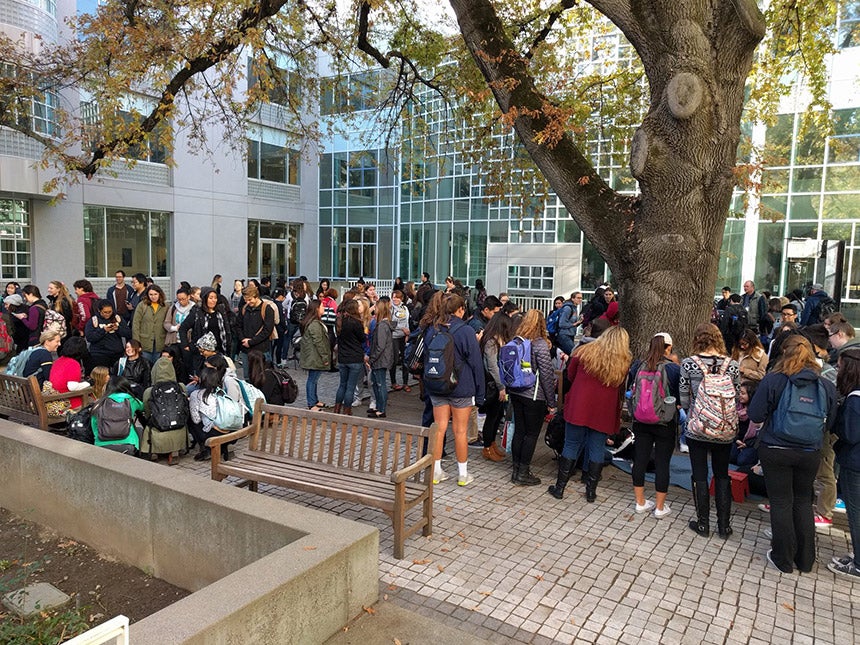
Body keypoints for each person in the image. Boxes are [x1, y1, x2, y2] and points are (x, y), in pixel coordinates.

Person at [749, 335, 837, 574]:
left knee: (780, 502)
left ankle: (783, 558)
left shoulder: (774, 380)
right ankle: (806, 559)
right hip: (809, 451)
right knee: (802, 501)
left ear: (783, 354)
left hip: (776, 448)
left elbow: (755, 414)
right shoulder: (825, 385)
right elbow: (830, 422)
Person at [547, 326, 630, 501]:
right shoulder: (623, 362)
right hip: (604, 410)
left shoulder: (584, 352)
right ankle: (591, 491)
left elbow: (570, 375)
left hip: (580, 405)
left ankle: (560, 487)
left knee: (571, 444)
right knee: (597, 448)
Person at [680, 323, 741, 538]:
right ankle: (724, 526)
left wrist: (698, 414)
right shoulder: (732, 365)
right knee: (722, 473)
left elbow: (684, 398)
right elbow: (736, 395)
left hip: (698, 427)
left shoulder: (688, 364)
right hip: (724, 429)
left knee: (699, 472)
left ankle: (703, 523)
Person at [424, 293, 485, 487]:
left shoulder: (433, 329)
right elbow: (476, 363)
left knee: (439, 428)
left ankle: (436, 471)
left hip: (437, 385)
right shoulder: (466, 331)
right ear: (460, 310)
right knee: (460, 431)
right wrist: (480, 391)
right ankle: (462, 474)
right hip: (461, 387)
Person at [627, 332, 680, 518]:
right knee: (662, 463)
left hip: (641, 419)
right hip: (665, 421)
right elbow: (679, 397)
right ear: (668, 347)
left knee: (639, 459)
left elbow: (630, 390)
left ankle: (640, 502)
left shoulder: (637, 365)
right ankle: (659, 507)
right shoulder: (673, 369)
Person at [507, 310, 557, 486]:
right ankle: (523, 472)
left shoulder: (517, 341)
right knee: (531, 434)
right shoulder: (540, 344)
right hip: (533, 395)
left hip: (516, 392)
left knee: (519, 431)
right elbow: (546, 375)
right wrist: (552, 402)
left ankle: (515, 470)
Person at [829, 347, 860, 579]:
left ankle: (858, 563)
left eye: (840, 367)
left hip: (855, 463)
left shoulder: (854, 399)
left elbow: (850, 433)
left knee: (856, 513)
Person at [479, 312, 515, 462]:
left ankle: (492, 443)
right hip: (493, 385)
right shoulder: (491, 342)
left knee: (497, 415)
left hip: (495, 384)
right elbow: (492, 366)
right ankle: (487, 447)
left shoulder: (493, 340)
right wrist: (501, 387)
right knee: (492, 417)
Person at [91, 376, 144, 454]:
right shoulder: (130, 400)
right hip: (127, 444)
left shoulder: (99, 402)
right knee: (139, 430)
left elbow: (94, 424)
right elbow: (143, 407)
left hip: (102, 445)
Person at [333, 299, 366, 416]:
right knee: (351, 386)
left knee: (342, 384)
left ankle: (336, 408)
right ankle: (347, 410)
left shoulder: (340, 321)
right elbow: (362, 338)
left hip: (343, 357)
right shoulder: (356, 322)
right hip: (355, 357)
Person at [299, 299, 331, 411]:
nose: (324, 308)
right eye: (322, 306)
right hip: (314, 357)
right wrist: (325, 357)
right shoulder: (314, 324)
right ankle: (311, 403)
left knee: (314, 379)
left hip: (313, 356)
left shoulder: (313, 322)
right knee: (312, 379)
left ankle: (315, 400)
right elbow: (319, 342)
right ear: (316, 308)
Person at [368, 298, 396, 418]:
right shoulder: (383, 324)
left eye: (376, 307)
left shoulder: (382, 326)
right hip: (382, 358)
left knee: (380, 384)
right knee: (378, 383)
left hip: (380, 359)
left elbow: (380, 346)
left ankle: (381, 409)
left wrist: (372, 358)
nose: (374, 309)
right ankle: (379, 407)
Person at [84, 300, 130, 373]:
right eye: (105, 312)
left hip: (116, 353)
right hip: (100, 354)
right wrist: (103, 330)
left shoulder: (118, 318)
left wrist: (118, 329)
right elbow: (90, 337)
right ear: (99, 311)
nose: (107, 314)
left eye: (110, 312)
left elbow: (128, 333)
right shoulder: (93, 320)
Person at [48, 336, 90, 410]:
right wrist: (88, 383)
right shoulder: (74, 364)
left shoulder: (58, 361)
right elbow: (72, 387)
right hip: (66, 402)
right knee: (95, 401)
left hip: (55, 399)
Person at [132, 285, 168, 365]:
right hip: (145, 342)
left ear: (160, 294)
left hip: (160, 342)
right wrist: (136, 342)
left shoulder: (165, 306)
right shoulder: (142, 305)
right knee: (145, 366)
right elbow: (136, 324)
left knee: (158, 366)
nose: (153, 297)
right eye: (151, 294)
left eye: (155, 294)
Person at [238, 284, 275, 359]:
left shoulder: (267, 309)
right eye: (246, 300)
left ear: (256, 297)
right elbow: (238, 325)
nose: (248, 302)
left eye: (250, 300)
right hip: (246, 350)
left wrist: (251, 342)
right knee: (247, 371)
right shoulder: (244, 309)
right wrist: (243, 339)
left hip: (261, 350)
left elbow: (267, 330)